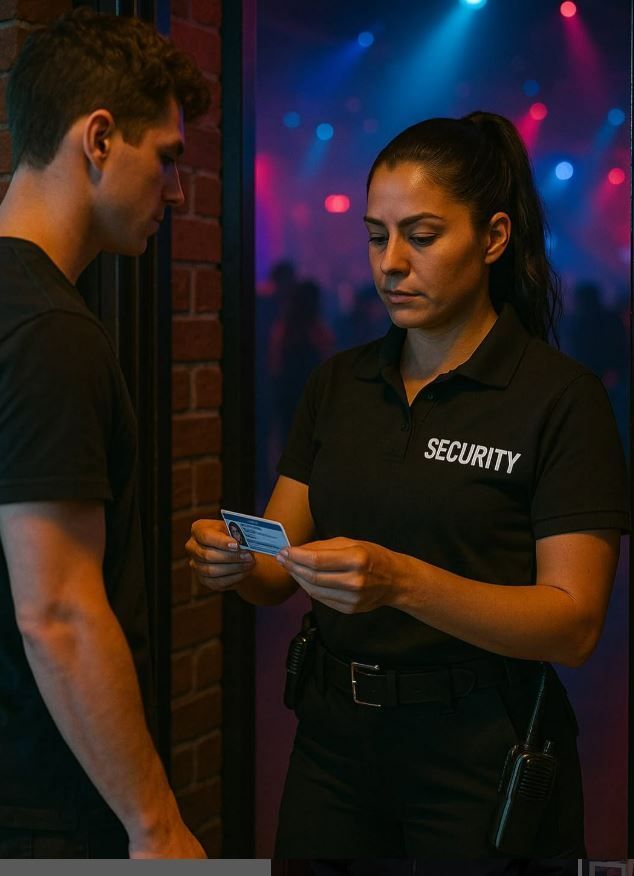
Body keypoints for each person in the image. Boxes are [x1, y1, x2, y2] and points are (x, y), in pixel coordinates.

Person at [187, 112, 629, 866]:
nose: (390, 263)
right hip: (332, 746)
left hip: (479, 750)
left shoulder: (557, 398)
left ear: (492, 238)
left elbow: (574, 624)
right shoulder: (340, 384)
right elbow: (277, 562)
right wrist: (236, 560)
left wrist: (401, 582)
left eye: (421, 237)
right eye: (375, 235)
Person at [0, 8, 210, 859]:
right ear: (98, 138)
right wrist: (155, 825)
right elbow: (55, 608)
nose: (179, 191)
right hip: (42, 806)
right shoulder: (50, 332)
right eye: (166, 158)